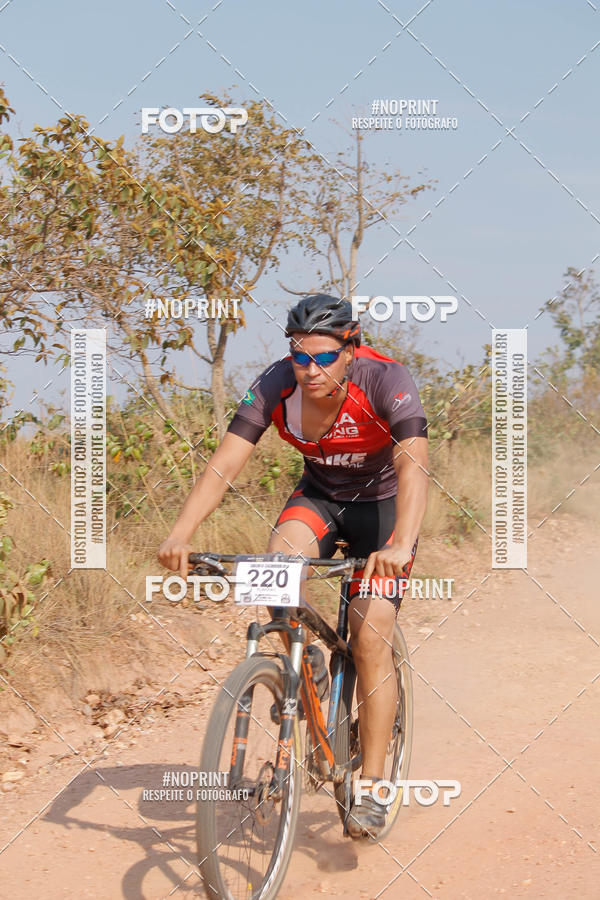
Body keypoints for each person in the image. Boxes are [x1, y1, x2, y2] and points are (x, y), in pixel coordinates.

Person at [158, 293, 428, 839]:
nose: (309, 369)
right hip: (321, 499)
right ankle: (309, 667)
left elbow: (413, 461)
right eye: (300, 355)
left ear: (350, 348)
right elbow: (227, 461)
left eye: (324, 357)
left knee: (370, 634)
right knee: (273, 571)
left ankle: (374, 785)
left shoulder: (385, 378)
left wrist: (401, 543)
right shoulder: (278, 381)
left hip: (383, 509)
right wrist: (181, 533)